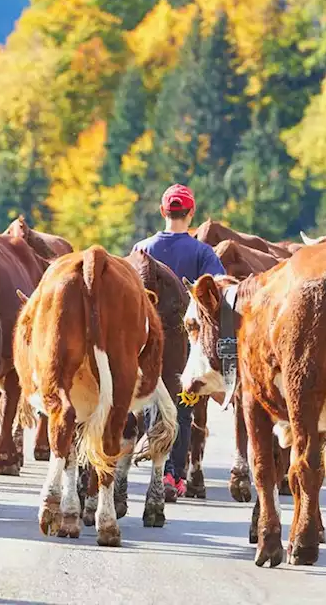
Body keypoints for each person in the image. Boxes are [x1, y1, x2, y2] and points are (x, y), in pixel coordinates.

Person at [129, 183, 224, 499]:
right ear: (191, 213)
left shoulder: (141, 250)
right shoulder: (202, 252)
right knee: (183, 408)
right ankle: (173, 475)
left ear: (162, 212)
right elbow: (218, 293)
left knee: (145, 402)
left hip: (144, 341)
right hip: (186, 342)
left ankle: (139, 469)